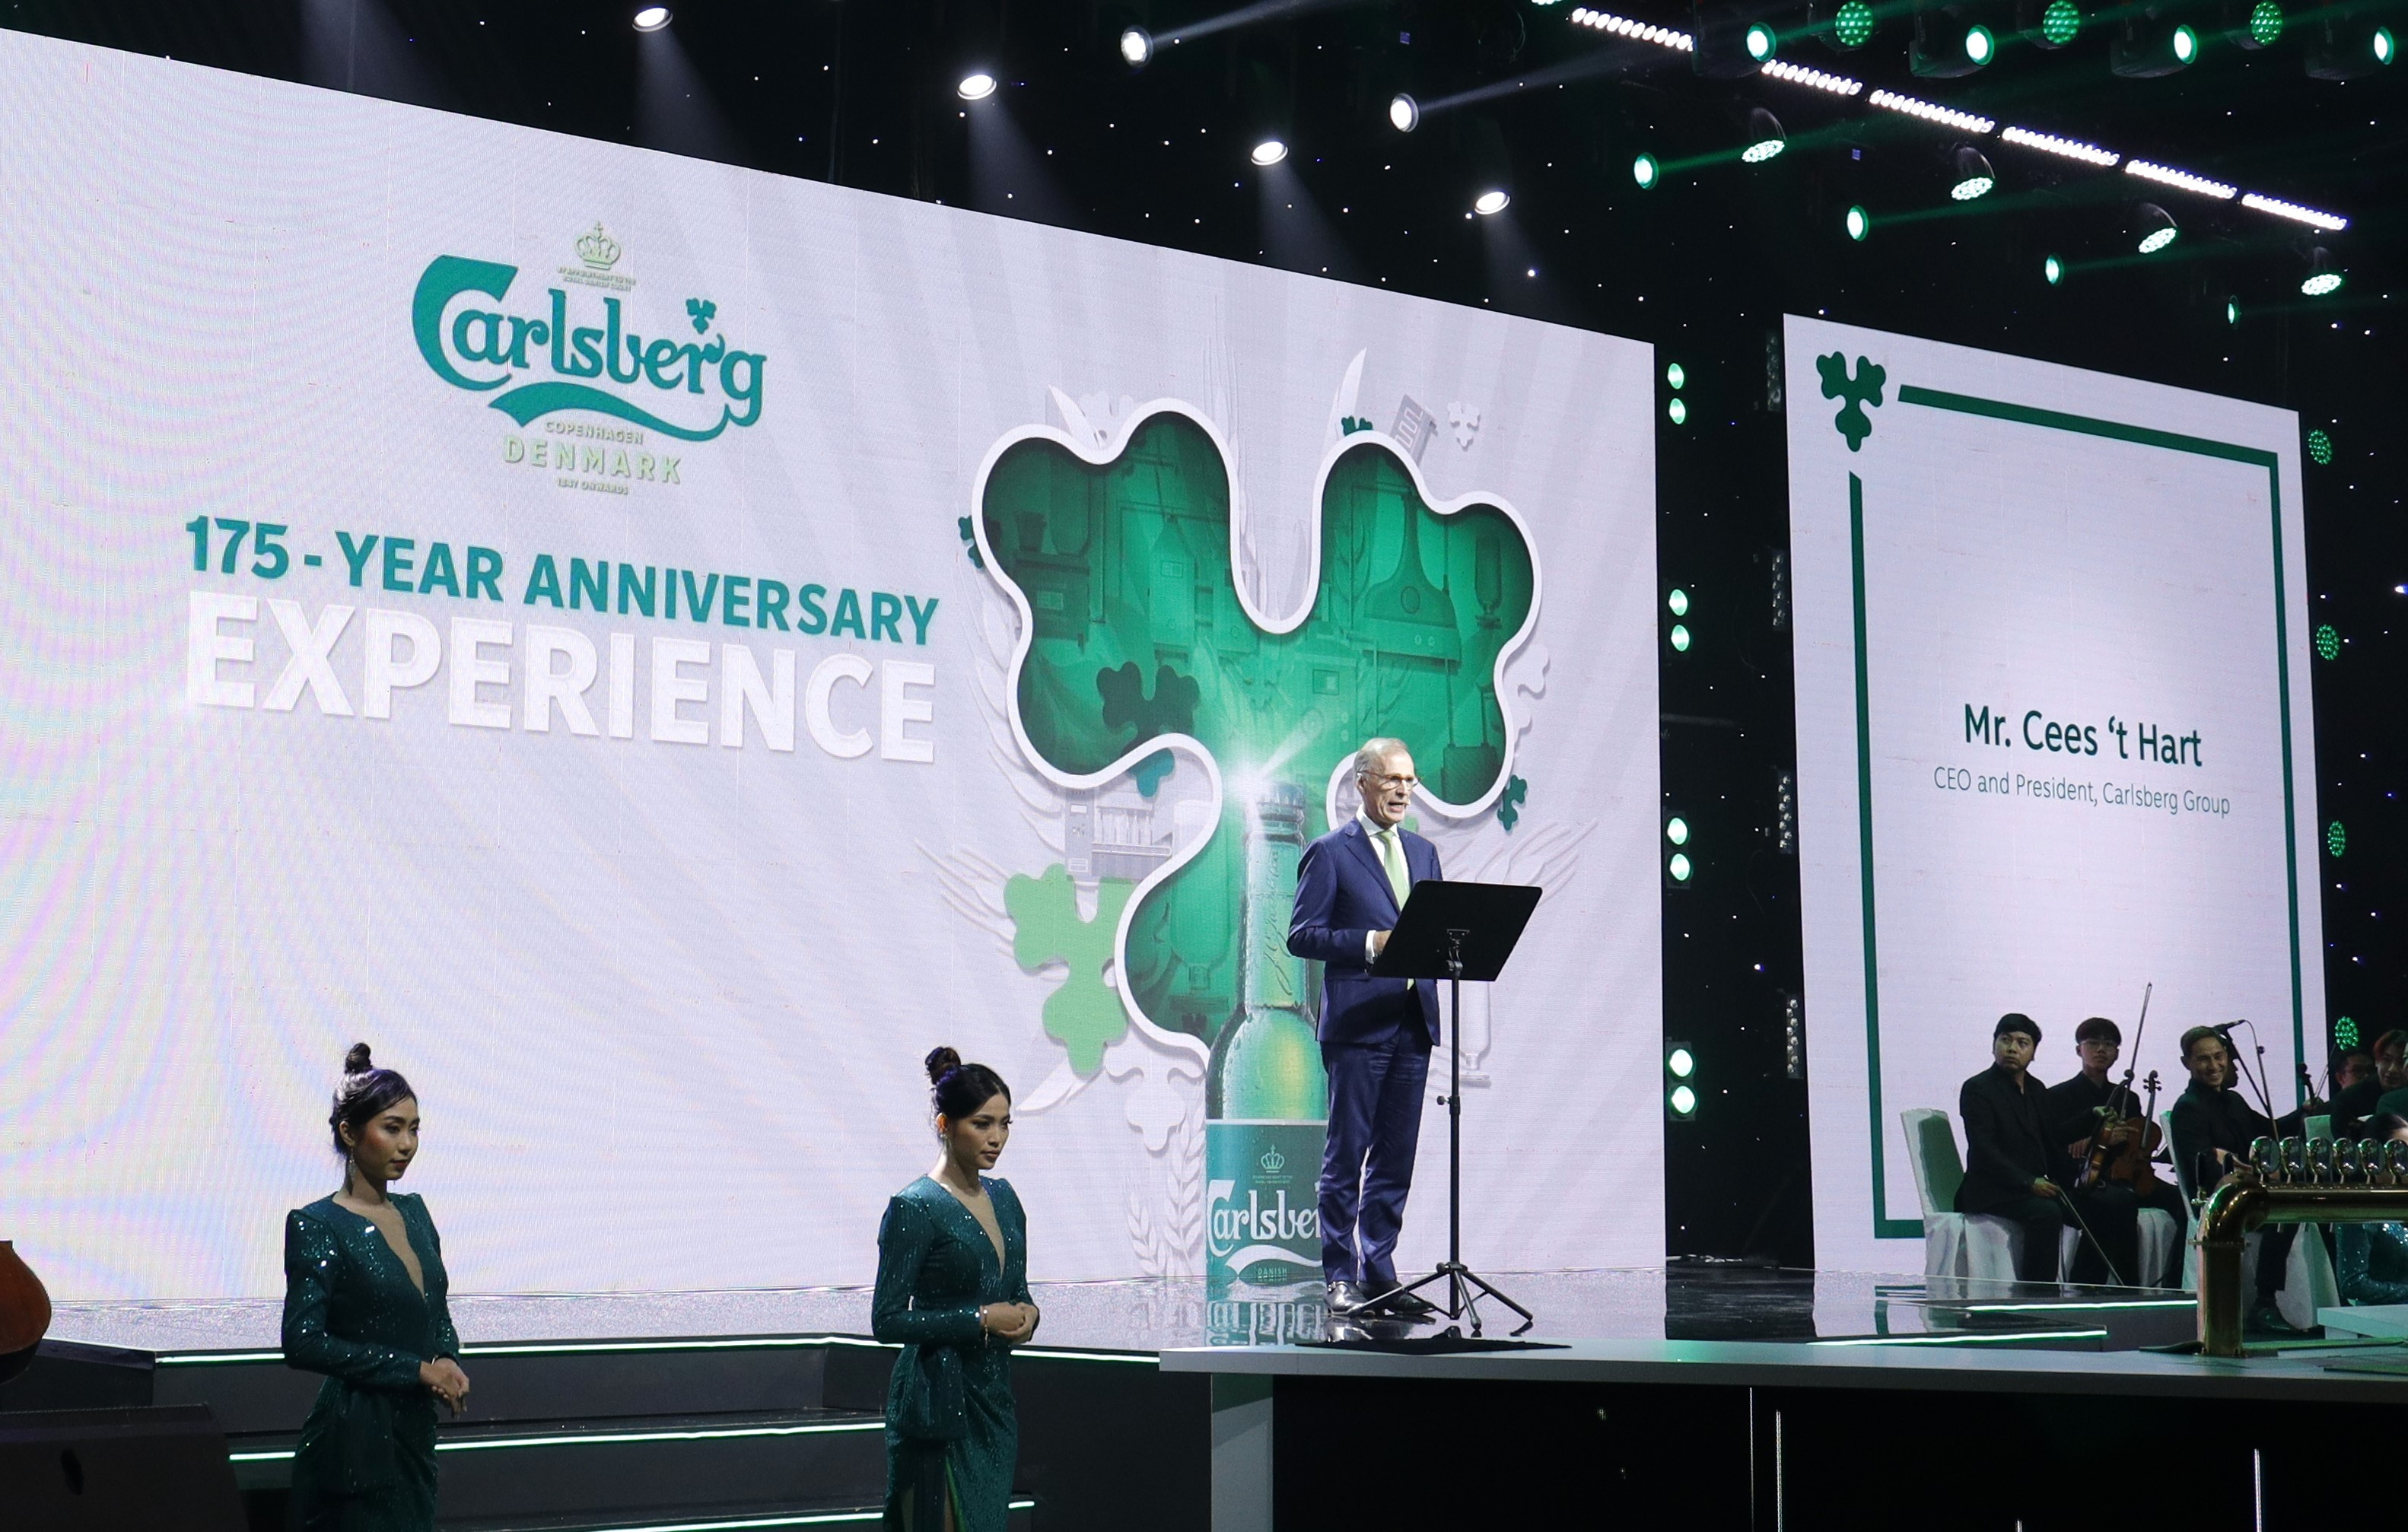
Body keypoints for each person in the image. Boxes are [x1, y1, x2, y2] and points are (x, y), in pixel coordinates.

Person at [1287, 737, 1444, 1319]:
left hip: (1412, 1024)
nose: (1403, 790)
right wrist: (1369, 943)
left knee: (1394, 1159)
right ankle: (1339, 1276)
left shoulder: (1424, 853)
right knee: (1346, 1156)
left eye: (1409, 780)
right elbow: (1302, 935)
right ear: (1362, 783)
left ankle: (1380, 1274)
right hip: (1357, 1028)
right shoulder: (1331, 852)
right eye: (1391, 779)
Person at [282, 1044, 469, 1532]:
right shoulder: (317, 1224)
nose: (406, 1144)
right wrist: (415, 1369)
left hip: (414, 1435)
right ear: (349, 1132)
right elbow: (301, 1341)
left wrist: (446, 1355)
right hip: (353, 1438)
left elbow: (434, 1310)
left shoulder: (415, 1213)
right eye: (392, 1128)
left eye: (414, 1129)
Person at [873, 1047, 1039, 1532]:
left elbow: (1018, 1289)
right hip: (935, 1401)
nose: (997, 1138)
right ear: (945, 1124)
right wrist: (980, 1319)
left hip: (993, 1402)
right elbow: (887, 1320)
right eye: (982, 1124)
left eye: (1005, 1124)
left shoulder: (1005, 1198)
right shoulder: (915, 1206)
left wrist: (1029, 1315)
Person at [2168, 1025, 2311, 1335]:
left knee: (2291, 1198)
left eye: (2219, 1056)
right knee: (2281, 1212)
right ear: (2186, 1063)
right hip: (2217, 1200)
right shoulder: (2188, 1107)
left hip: (2245, 1189)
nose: (2214, 1065)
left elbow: (2269, 1130)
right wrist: (2245, 1170)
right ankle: (2265, 1302)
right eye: (2203, 1059)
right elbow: (2204, 1167)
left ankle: (2266, 1303)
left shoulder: (2233, 1100)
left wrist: (2302, 1114)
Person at [2043, 1016, 2187, 1286]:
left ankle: (2176, 1281)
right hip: (2085, 1180)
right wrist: (2099, 1140)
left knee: (2184, 1202)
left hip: (2130, 1173)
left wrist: (2131, 1137)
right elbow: (2055, 1147)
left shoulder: (2128, 1097)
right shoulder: (2057, 1096)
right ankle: (2120, 1285)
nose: (2101, 1050)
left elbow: (2137, 1144)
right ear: (2079, 1050)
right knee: (2120, 1202)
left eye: (2109, 1044)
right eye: (2093, 1043)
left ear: (2118, 1053)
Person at [1955, 1015, 2085, 1283]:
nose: (2012, 1049)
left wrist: (2092, 1119)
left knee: (2094, 1205)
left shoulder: (2037, 1089)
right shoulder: (1978, 1088)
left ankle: (2089, 1289)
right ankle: (2038, 1296)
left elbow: (2051, 1138)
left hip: (2029, 1187)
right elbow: (1984, 1150)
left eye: (2022, 1043)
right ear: (1994, 1045)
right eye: (2005, 1040)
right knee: (2046, 1213)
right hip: (1991, 1188)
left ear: (2033, 1053)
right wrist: (2028, 1182)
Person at [2337, 1114, 2408, 1306]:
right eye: (2402, 1153)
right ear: (2375, 1158)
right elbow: (2353, 1283)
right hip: (2380, 1318)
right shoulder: (2360, 1209)